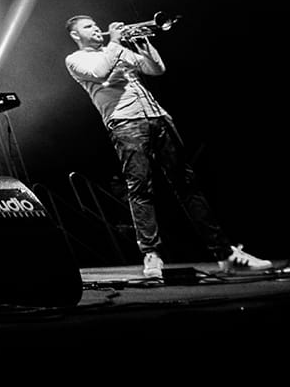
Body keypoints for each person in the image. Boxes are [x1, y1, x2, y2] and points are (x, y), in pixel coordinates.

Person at [64, 15, 272, 278]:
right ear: (75, 35)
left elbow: (155, 69)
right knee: (140, 187)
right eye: (88, 27)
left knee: (187, 184)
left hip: (158, 117)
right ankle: (151, 255)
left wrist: (143, 44)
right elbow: (100, 72)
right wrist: (115, 42)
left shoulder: (118, 50)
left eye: (95, 24)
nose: (96, 28)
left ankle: (225, 254)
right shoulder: (76, 59)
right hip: (125, 122)